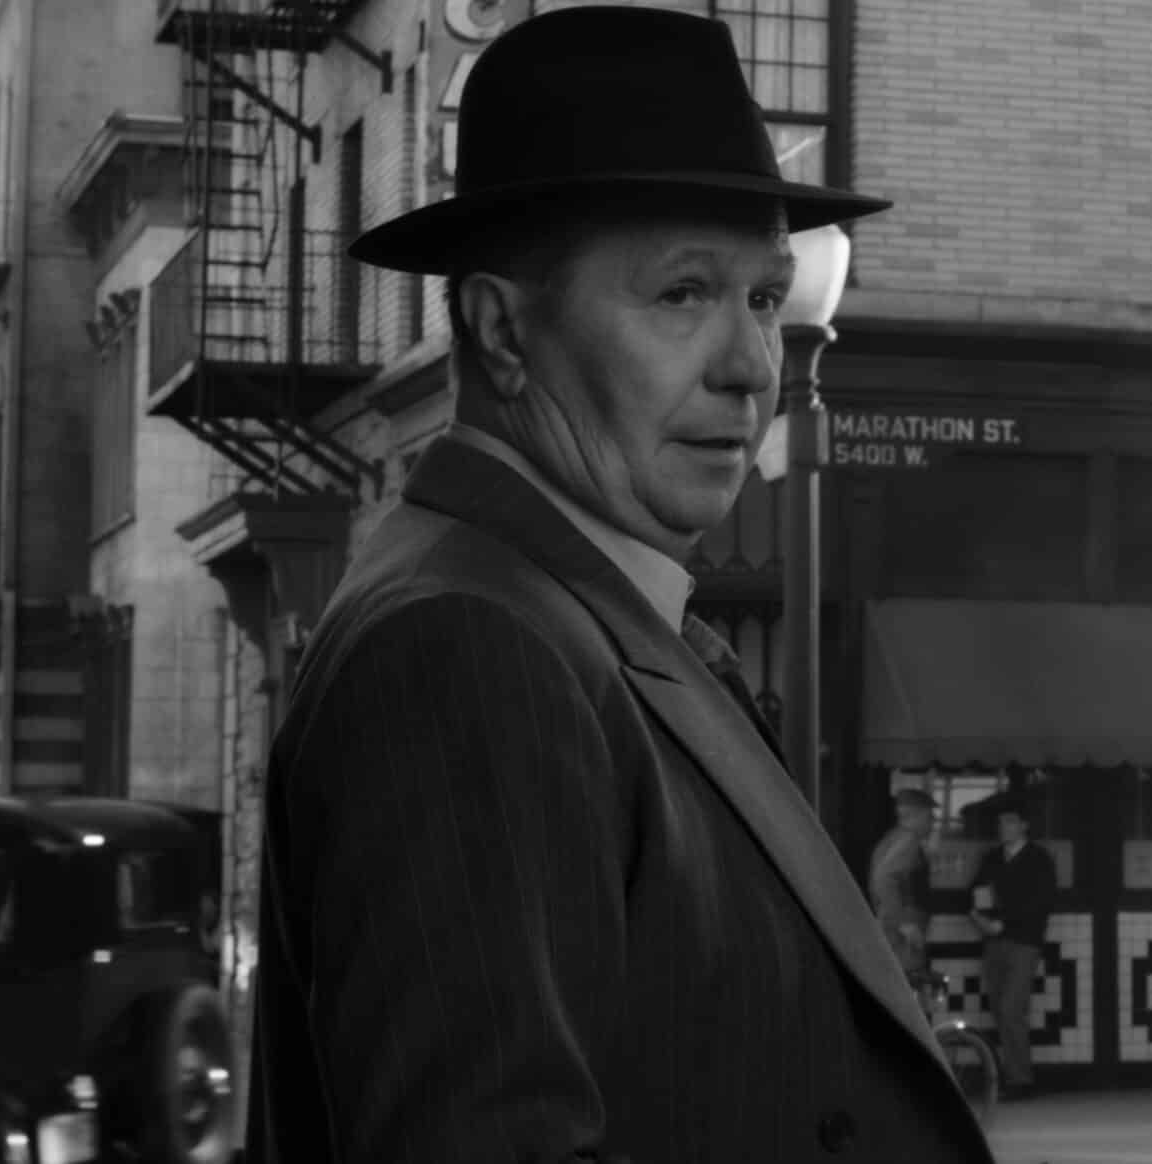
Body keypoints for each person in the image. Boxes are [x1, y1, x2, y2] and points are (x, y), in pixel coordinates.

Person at [243, 9, 990, 1163]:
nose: (751, 367)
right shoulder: (465, 647)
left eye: (763, 298)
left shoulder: (570, 614)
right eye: (683, 293)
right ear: (502, 331)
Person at [967, 801, 1057, 1099]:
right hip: (993, 942)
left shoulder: (1039, 859)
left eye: (1009, 822)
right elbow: (977, 890)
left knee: (1011, 1008)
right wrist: (978, 917)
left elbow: (1041, 903)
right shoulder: (992, 858)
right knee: (998, 1008)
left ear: (1024, 825)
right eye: (1000, 823)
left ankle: (1021, 1079)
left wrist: (1003, 924)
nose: (1003, 828)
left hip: (1024, 942)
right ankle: (1010, 1075)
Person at [869, 787, 938, 980]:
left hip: (893, 924)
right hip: (903, 930)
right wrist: (904, 923)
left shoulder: (892, 838)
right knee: (907, 980)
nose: (932, 823)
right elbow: (883, 879)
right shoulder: (909, 840)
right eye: (930, 817)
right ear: (918, 815)